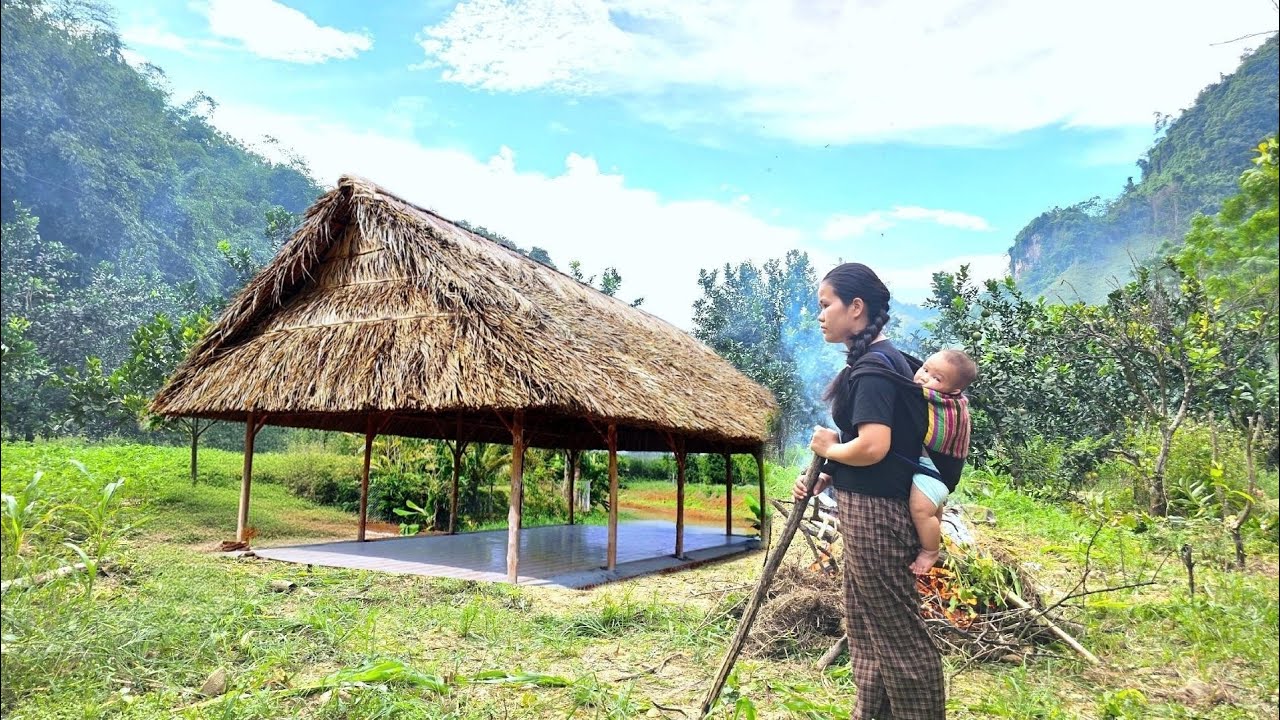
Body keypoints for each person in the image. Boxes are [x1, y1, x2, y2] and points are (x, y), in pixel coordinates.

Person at [792, 262, 945, 719]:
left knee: (897, 633)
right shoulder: (880, 361)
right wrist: (829, 473)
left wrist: (828, 449)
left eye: (826, 305)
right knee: (865, 627)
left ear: (856, 307)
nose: (820, 315)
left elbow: (874, 447)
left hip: (877, 517)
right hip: (868, 507)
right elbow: (879, 449)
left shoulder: (875, 368)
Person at [905, 350, 976, 575]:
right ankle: (933, 536)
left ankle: (930, 550)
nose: (924, 378)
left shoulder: (943, 402)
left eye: (936, 378)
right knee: (933, 511)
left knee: (920, 510)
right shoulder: (947, 395)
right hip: (934, 469)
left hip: (936, 471)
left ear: (954, 390)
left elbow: (907, 389)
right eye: (925, 369)